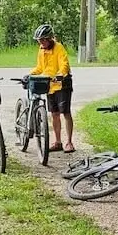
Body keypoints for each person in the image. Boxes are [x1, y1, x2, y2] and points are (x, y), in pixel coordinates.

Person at [29, 24, 74, 153]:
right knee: (54, 114)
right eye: (39, 40)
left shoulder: (59, 48)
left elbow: (64, 64)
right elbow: (40, 68)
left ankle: (69, 142)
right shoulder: (41, 50)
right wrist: (30, 74)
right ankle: (57, 141)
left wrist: (60, 75)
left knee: (65, 113)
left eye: (43, 40)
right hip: (49, 84)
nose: (40, 42)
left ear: (49, 38)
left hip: (62, 83)